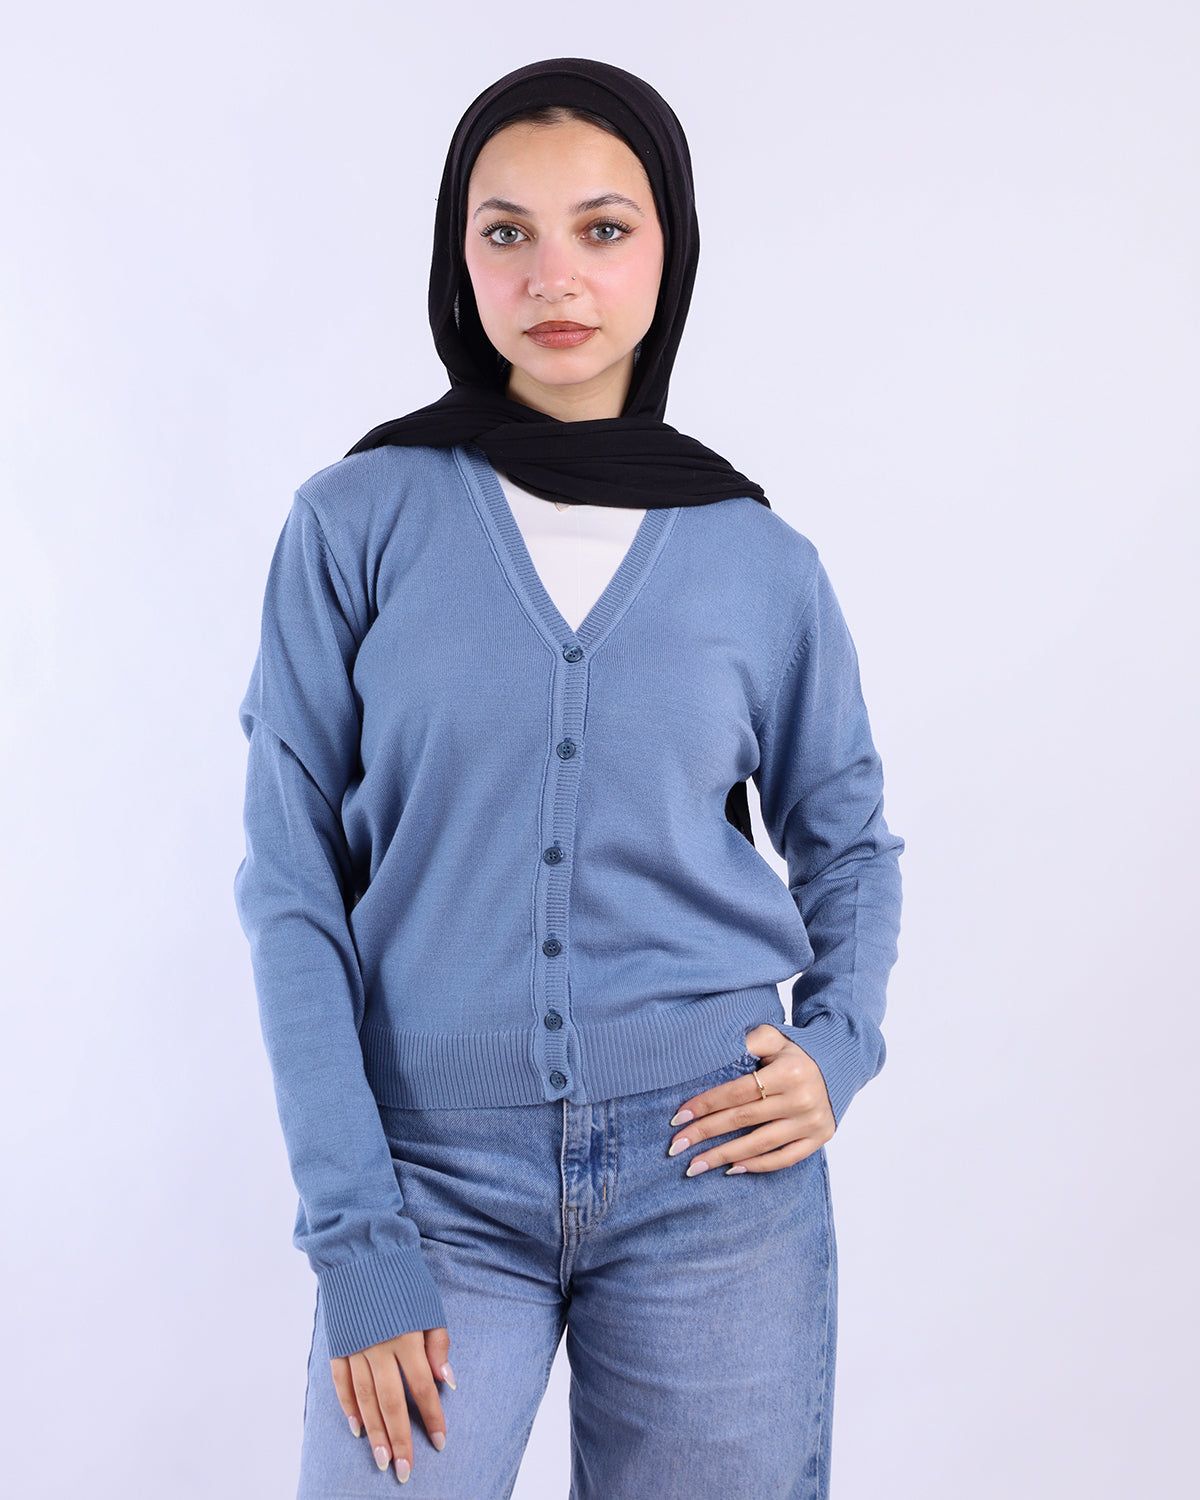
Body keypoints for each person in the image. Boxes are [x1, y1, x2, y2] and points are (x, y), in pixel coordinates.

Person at [234, 56, 903, 1499]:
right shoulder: (355, 521)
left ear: (670, 251)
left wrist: (839, 1049)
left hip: (715, 1173)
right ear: (457, 256)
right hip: (430, 1185)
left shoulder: (759, 559)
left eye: (603, 228)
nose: (554, 277)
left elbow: (848, 842)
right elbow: (290, 883)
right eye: (507, 232)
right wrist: (356, 1237)